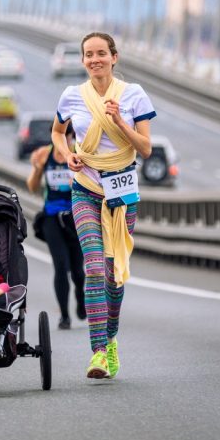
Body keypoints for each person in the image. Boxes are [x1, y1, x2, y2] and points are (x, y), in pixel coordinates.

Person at [51, 32, 155, 380]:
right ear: (83, 60)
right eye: (88, 54)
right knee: (94, 267)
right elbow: (57, 132)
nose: (95, 59)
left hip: (122, 192)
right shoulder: (72, 95)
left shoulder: (133, 94)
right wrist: (68, 155)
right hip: (85, 188)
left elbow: (146, 148)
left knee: (114, 273)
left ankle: (111, 339)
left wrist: (120, 121)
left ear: (114, 57)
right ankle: (97, 352)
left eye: (101, 53)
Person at [26, 126, 85, 330]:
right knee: (60, 265)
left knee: (77, 270)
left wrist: (78, 182)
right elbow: (32, 187)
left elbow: (95, 185)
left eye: (65, 137)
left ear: (72, 137)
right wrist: (37, 169)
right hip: (51, 216)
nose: (61, 141)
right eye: (56, 136)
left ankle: (81, 297)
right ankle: (65, 316)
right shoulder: (44, 154)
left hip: (76, 216)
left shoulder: (80, 153)